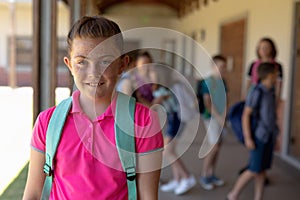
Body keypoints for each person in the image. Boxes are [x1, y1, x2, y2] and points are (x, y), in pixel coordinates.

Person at [22, 16, 164, 200]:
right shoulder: (48, 123)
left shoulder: (144, 121)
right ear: (69, 65)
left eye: (105, 61)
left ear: (122, 64)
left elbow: (148, 196)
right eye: (82, 62)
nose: (93, 73)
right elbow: (33, 193)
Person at [227, 62, 279, 200]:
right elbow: (246, 115)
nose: (277, 76)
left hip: (269, 136)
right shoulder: (257, 92)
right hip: (258, 137)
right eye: (276, 73)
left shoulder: (271, 92)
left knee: (261, 170)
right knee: (253, 169)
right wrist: (248, 137)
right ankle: (233, 195)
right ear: (269, 75)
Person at [159, 77, 197, 196]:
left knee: (168, 151)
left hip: (179, 119)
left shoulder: (175, 86)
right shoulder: (161, 87)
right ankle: (177, 180)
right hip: (173, 119)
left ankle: (187, 177)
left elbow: (191, 102)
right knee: (171, 150)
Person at [199, 55, 227, 190]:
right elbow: (207, 104)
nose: (223, 70)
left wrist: (225, 116)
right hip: (210, 118)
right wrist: (219, 117)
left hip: (221, 118)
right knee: (213, 146)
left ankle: (211, 174)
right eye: (220, 67)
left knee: (218, 146)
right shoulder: (208, 82)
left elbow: (225, 100)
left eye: (224, 67)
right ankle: (204, 175)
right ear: (213, 66)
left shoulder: (223, 81)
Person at [245, 37, 283, 102]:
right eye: (261, 47)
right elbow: (249, 83)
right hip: (254, 96)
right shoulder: (253, 64)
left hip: (269, 97)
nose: (263, 50)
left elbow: (278, 85)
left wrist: (277, 101)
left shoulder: (277, 66)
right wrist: (245, 98)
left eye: (266, 47)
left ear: (272, 49)